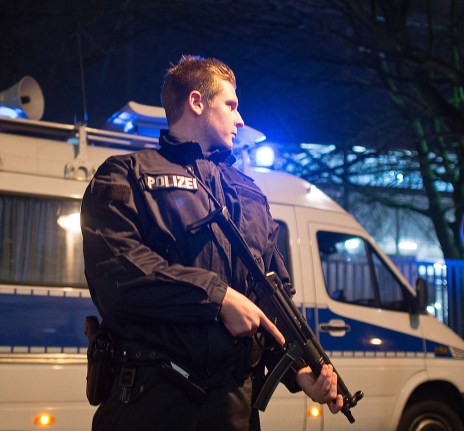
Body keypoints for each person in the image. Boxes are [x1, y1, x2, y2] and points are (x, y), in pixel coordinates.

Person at [80, 55, 343, 430]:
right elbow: (117, 275)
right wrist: (216, 297)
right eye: (231, 105)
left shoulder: (249, 193)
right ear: (196, 102)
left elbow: (271, 295)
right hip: (148, 402)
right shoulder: (125, 174)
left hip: (233, 406)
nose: (240, 119)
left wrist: (299, 370)